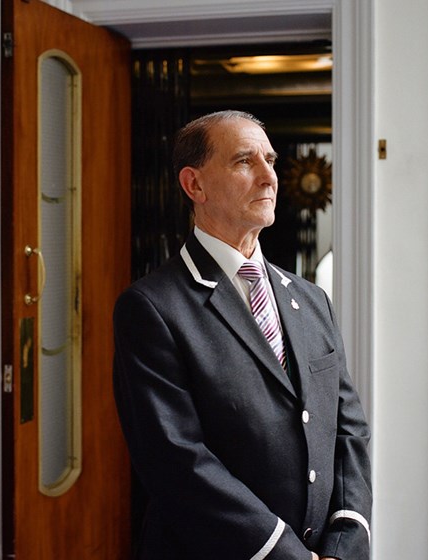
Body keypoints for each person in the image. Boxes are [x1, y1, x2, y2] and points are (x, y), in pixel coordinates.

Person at [113, 110, 372, 560]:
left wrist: (344, 543)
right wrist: (285, 555)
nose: (270, 177)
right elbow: (177, 462)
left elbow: (347, 431)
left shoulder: (313, 300)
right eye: (243, 161)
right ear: (194, 185)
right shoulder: (151, 308)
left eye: (269, 160)